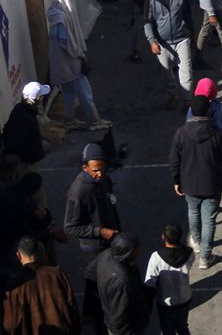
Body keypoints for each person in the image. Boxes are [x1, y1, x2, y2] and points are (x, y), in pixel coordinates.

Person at [169, 94, 222, 269]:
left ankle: (197, 241)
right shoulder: (217, 133)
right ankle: (205, 256)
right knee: (209, 218)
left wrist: (176, 180)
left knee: (193, 211)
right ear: (208, 111)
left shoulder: (181, 133)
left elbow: (174, 160)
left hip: (189, 182)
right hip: (212, 183)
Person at [65, 143, 121, 330]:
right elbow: (71, 226)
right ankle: (96, 316)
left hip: (109, 238)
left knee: (97, 280)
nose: (100, 173)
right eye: (95, 170)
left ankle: (89, 311)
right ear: (85, 168)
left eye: (102, 168)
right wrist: (99, 232)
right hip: (93, 245)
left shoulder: (104, 180)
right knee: (95, 281)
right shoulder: (78, 192)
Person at [49, 0, 109, 131]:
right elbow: (66, 43)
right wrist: (80, 55)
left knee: (69, 93)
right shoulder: (61, 18)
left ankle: (70, 120)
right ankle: (95, 121)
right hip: (70, 64)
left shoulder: (55, 15)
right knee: (85, 92)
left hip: (61, 64)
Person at [2, 234, 79, 334]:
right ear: (40, 252)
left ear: (19, 255)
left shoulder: (14, 283)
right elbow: (72, 307)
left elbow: (10, 323)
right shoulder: (56, 275)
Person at [143, 0, 194, 103]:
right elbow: (148, 21)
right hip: (162, 42)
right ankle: (174, 95)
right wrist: (152, 41)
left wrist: (190, 35)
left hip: (182, 39)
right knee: (167, 74)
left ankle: (187, 100)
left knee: (186, 73)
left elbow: (188, 16)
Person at [93, 233, 150, 335]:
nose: (139, 251)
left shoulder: (106, 255)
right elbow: (119, 317)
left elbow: (89, 273)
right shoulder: (122, 281)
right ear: (128, 253)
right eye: (136, 249)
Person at [143, 223, 194, 335]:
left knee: (168, 330)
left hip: (166, 302)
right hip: (184, 298)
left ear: (164, 237)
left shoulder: (156, 257)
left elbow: (150, 283)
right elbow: (189, 265)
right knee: (183, 325)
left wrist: (147, 306)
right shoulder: (189, 253)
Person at [3, 81, 49, 179]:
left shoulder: (19, 109)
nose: (42, 99)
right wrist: (37, 153)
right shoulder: (27, 118)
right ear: (36, 100)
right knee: (32, 187)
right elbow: (20, 142)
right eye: (40, 97)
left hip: (24, 159)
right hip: (27, 162)